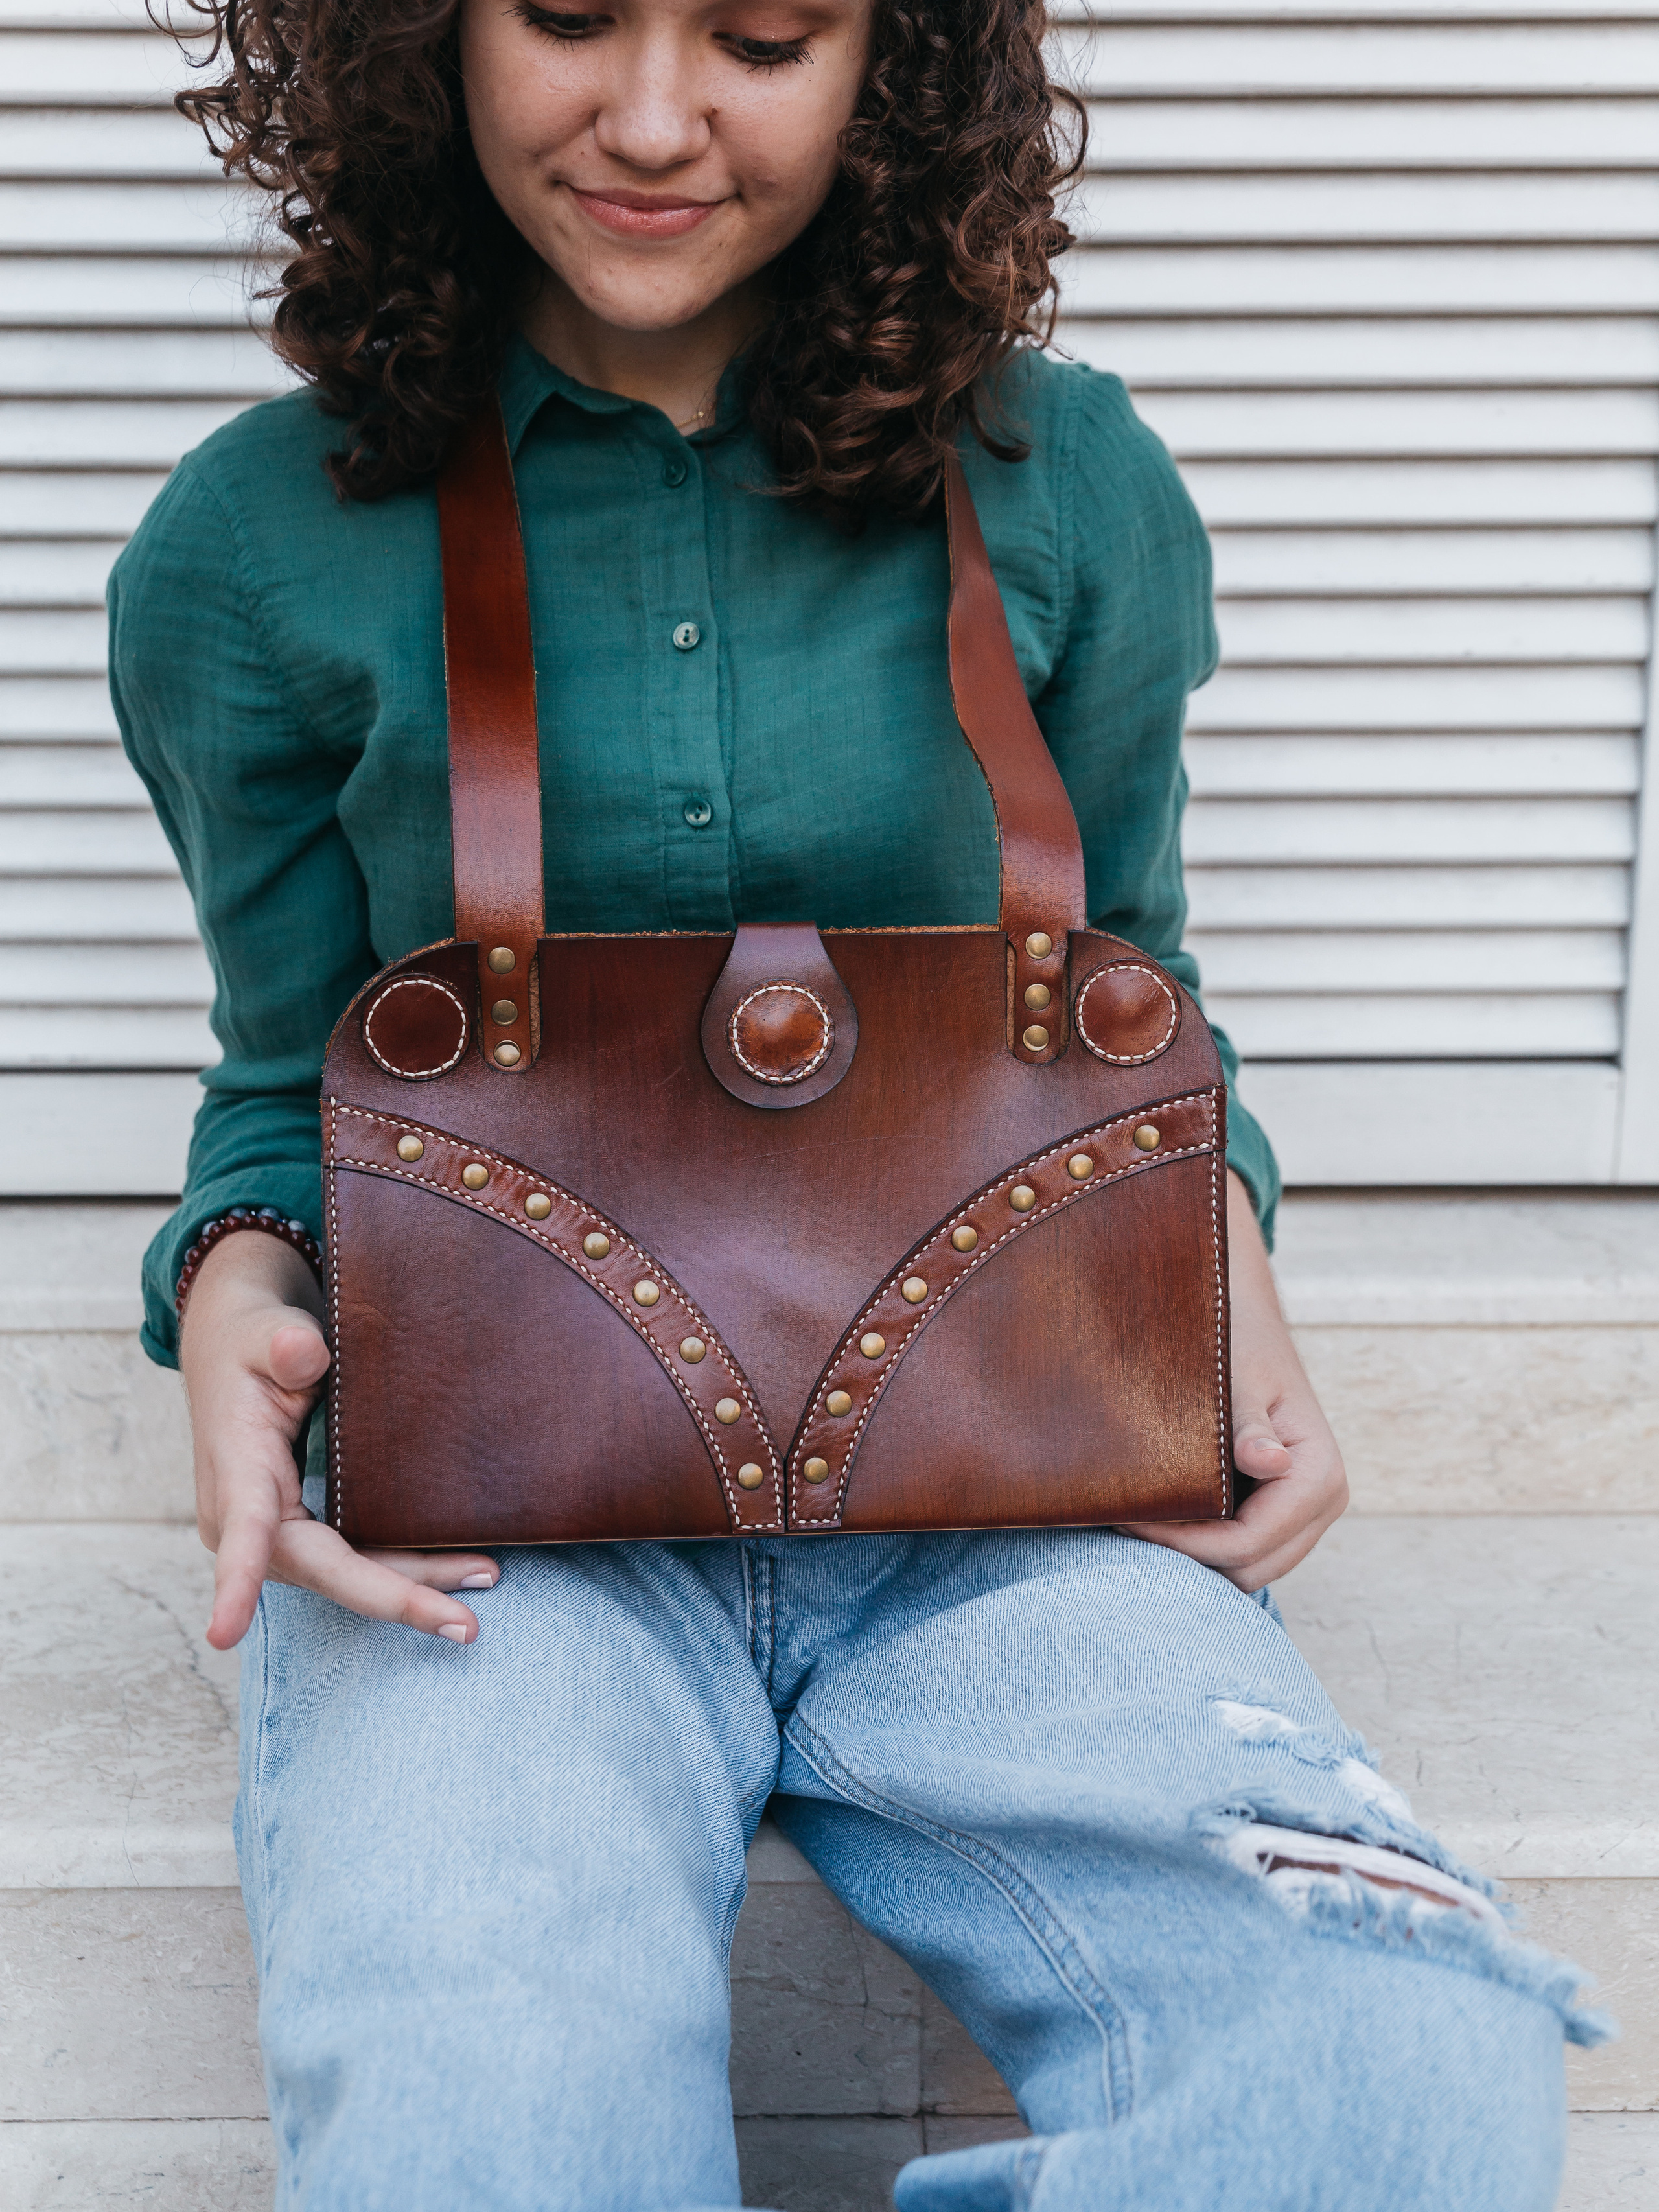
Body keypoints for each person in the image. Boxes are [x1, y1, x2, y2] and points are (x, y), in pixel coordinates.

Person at [110, 0, 1595, 2202]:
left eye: (767, 33)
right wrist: (238, 1291)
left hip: (1017, 1494)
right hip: (501, 1530)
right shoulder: (252, 550)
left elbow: (1128, 996)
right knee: (479, 2150)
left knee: (1399, 2079)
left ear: (896, 64)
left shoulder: (1070, 485)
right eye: (566, 15)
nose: (647, 118)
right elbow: (284, 1087)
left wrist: (1221, 1248)